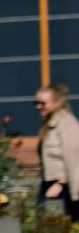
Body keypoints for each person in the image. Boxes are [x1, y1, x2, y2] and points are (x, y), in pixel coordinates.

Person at [41, 85, 79, 217]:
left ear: (56, 103)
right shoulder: (50, 125)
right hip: (51, 186)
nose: (38, 107)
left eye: (43, 103)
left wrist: (61, 184)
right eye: (36, 103)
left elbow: (74, 160)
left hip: (63, 189)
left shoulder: (66, 124)